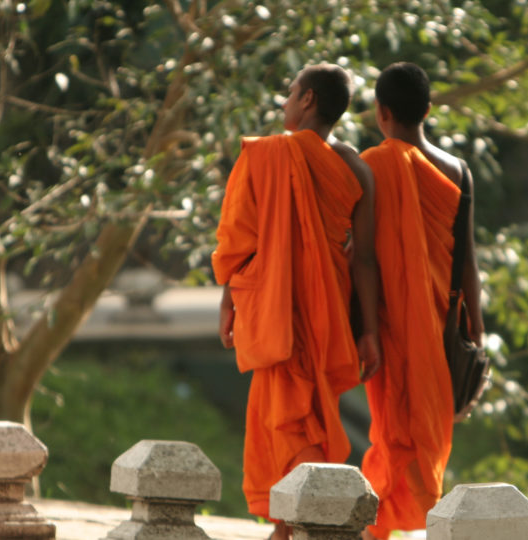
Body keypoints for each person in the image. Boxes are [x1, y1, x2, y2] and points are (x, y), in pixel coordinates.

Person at [211, 63, 381, 540]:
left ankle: (296, 526)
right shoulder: (356, 167)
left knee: (292, 414)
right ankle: (292, 525)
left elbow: (240, 241)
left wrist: (228, 301)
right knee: (309, 412)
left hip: (280, 305)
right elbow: (364, 259)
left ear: (307, 100)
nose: (285, 102)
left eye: (290, 93)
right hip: (326, 308)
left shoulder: (266, 155)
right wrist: (368, 331)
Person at [358, 62, 484, 540]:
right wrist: (477, 328)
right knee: (424, 428)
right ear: (428, 110)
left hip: (388, 319)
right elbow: (467, 259)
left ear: (381, 112)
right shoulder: (458, 171)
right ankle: (385, 526)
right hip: (440, 323)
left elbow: (362, 254)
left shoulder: (371, 166)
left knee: (390, 425)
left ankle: (378, 528)